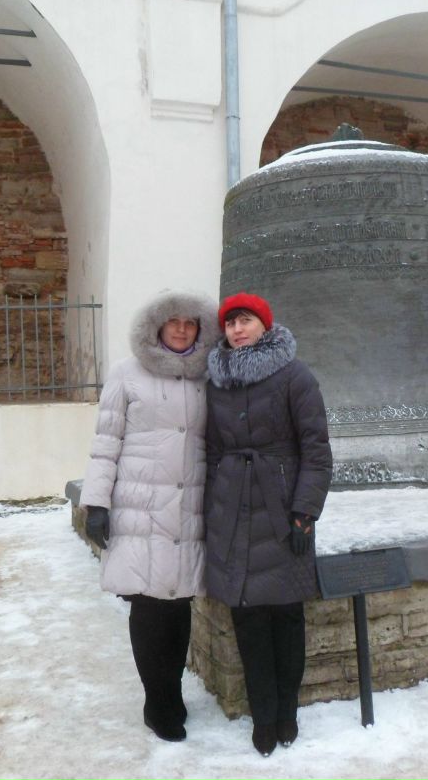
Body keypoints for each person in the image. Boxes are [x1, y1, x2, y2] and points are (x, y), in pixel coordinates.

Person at [77, 289, 219, 742]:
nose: (181, 328)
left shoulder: (207, 377)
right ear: (156, 327)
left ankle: (172, 694)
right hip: (141, 505)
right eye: (173, 321)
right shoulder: (126, 373)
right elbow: (106, 442)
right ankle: (157, 702)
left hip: (188, 508)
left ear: (200, 330)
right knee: (148, 606)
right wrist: (97, 503)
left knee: (178, 607)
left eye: (190, 322)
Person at [203, 292, 332, 757]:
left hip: (282, 512)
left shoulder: (295, 377)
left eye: (246, 321)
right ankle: (263, 716)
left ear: (264, 325)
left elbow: (316, 451)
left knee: (286, 616)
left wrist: (305, 511)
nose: (237, 330)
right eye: (230, 323)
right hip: (232, 511)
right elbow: (212, 453)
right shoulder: (216, 383)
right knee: (247, 618)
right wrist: (210, 509)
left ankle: (287, 712)